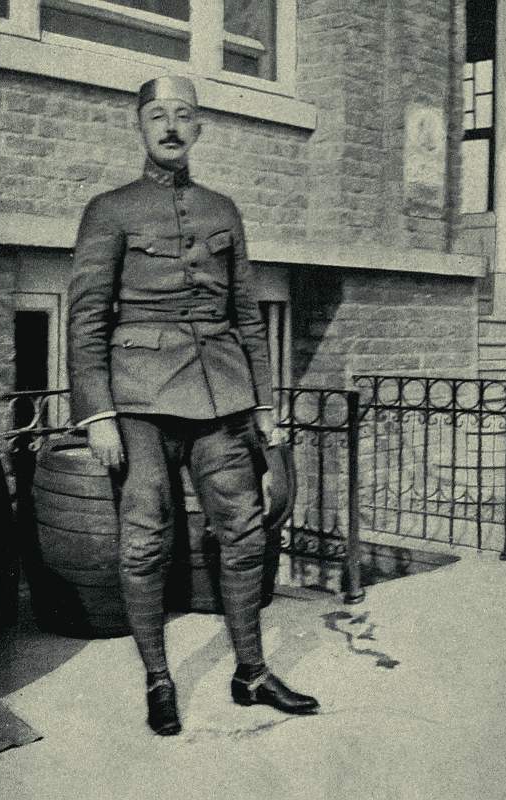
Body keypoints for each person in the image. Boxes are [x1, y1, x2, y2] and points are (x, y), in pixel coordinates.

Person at [68, 75, 319, 735]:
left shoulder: (222, 210)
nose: (171, 126)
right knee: (146, 538)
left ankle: (252, 672)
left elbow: (245, 315)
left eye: (183, 116)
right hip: (139, 404)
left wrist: (264, 408)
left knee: (241, 532)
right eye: (157, 115)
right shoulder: (109, 209)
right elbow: (87, 319)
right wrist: (97, 415)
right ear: (140, 126)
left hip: (219, 399)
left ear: (199, 128)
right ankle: (158, 679)